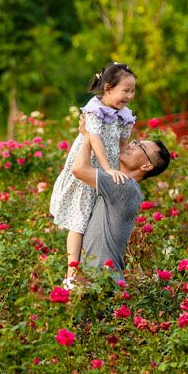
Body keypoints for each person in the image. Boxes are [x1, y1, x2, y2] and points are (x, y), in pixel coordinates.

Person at [50, 62, 137, 286]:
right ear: (108, 88)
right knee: (78, 220)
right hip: (89, 165)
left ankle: (86, 270)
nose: (129, 95)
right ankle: (71, 272)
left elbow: (122, 143)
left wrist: (116, 166)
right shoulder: (94, 109)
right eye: (125, 90)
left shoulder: (124, 114)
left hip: (104, 170)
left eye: (132, 91)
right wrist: (107, 168)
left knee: (92, 219)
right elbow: (95, 138)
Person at [72, 115, 170, 281]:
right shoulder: (123, 184)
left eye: (140, 147)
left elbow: (79, 169)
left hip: (101, 282)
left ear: (146, 166)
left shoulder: (124, 186)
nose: (131, 145)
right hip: (99, 280)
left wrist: (88, 134)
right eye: (135, 141)